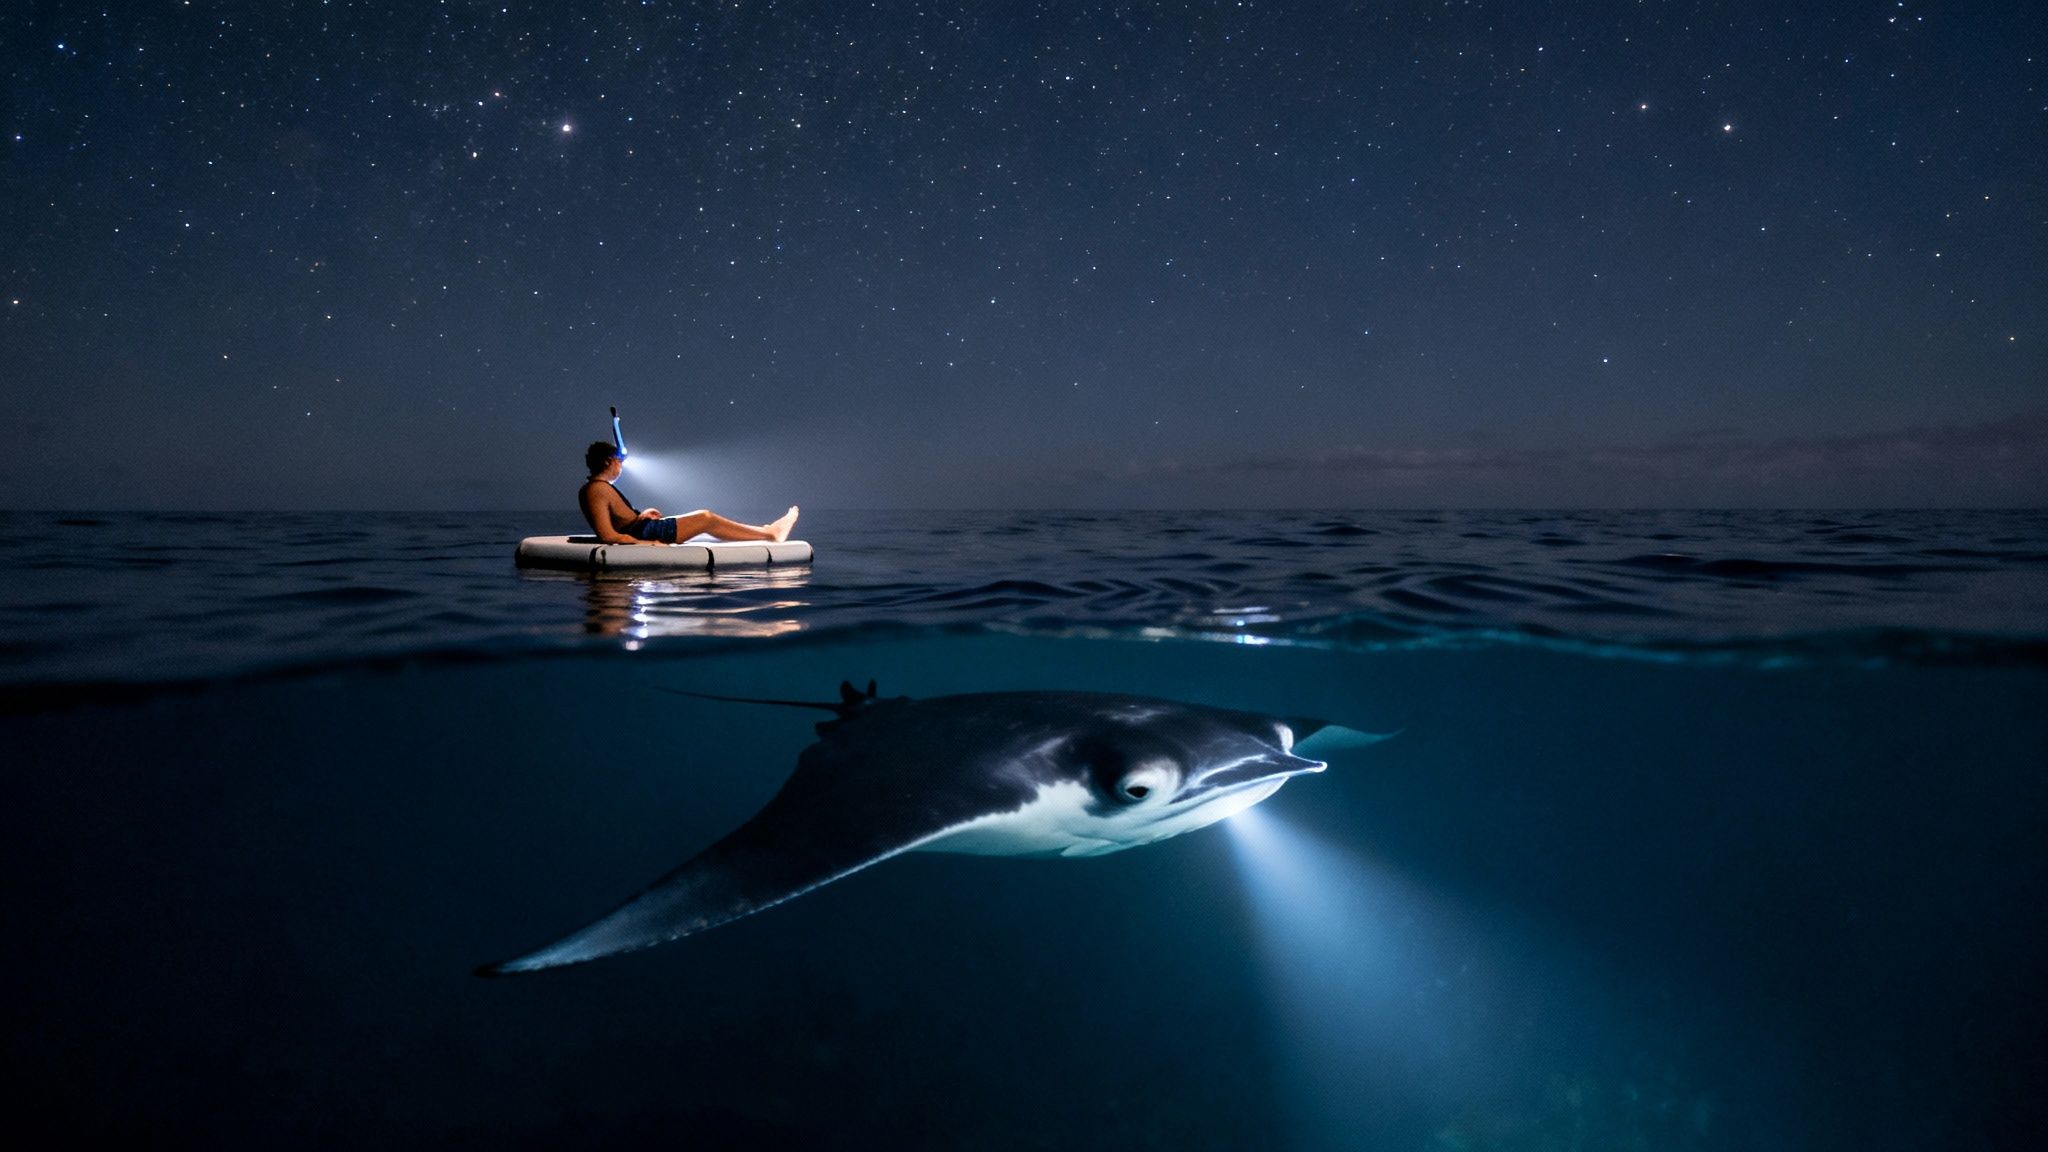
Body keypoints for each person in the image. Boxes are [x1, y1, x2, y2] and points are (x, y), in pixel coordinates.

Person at [578, 441, 798, 546]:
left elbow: (620, 521)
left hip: (644, 527)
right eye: (619, 461)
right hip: (647, 534)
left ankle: (767, 531)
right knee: (706, 518)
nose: (621, 467)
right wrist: (650, 544)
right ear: (608, 461)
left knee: (706, 519)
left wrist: (641, 516)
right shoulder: (596, 489)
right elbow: (607, 535)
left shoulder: (598, 488)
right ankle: (769, 533)